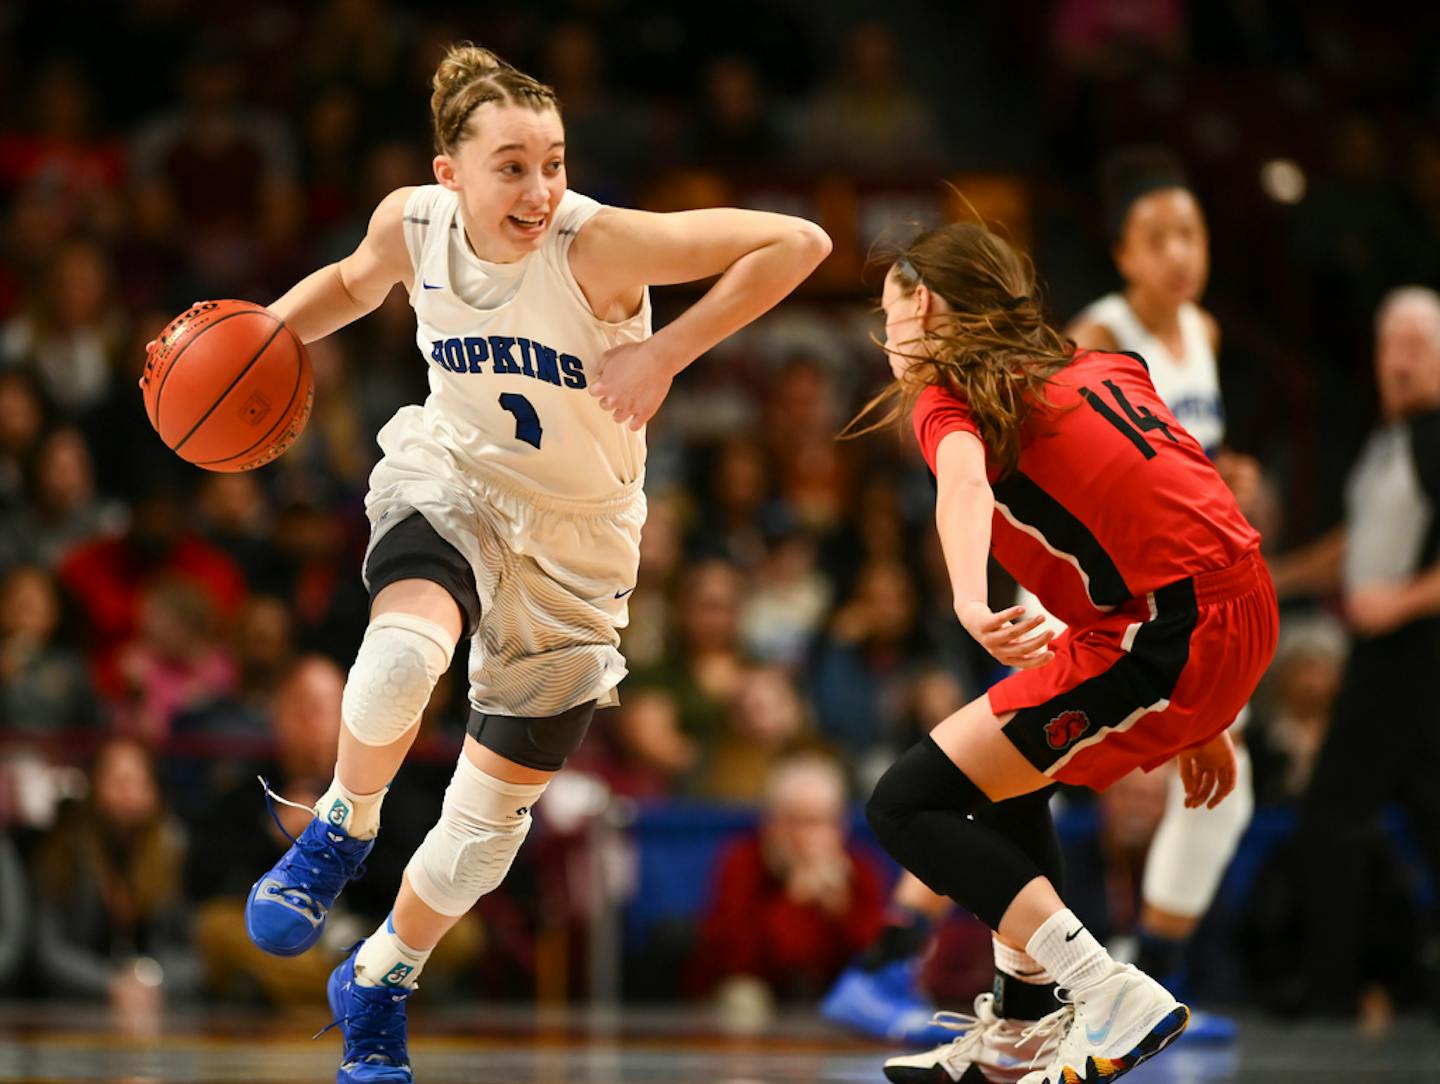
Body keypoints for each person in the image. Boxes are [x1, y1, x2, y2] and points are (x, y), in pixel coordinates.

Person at [152, 42, 829, 1084]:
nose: (539, 187)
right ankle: (341, 823)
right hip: (456, 478)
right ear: (449, 174)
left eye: (551, 161)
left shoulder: (595, 241)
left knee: (483, 828)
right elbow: (349, 281)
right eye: (511, 165)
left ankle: (379, 975)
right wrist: (269, 328)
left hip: (582, 539)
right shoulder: (409, 225)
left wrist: (664, 351)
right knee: (402, 653)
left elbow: (798, 240)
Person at [822, 147, 1260, 1046]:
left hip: (1161, 631)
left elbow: (962, 485)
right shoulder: (1109, 366)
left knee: (904, 805)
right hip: (1225, 613)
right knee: (1008, 774)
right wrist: (1200, 706)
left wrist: (965, 596)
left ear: (930, 307)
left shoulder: (954, 396)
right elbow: (1179, 501)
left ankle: (1099, 988)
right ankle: (1025, 1025)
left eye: (890, 311)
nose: (886, 334)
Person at [1270, 287, 1440, 1018]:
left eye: (1417, 346)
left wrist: (1400, 600)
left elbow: (1385, 576)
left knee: (1333, 813)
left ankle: (1331, 992)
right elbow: (1357, 548)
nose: (1398, 361)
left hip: (1415, 649)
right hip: (1389, 653)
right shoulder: (1392, 439)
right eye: (1388, 345)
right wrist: (1273, 575)